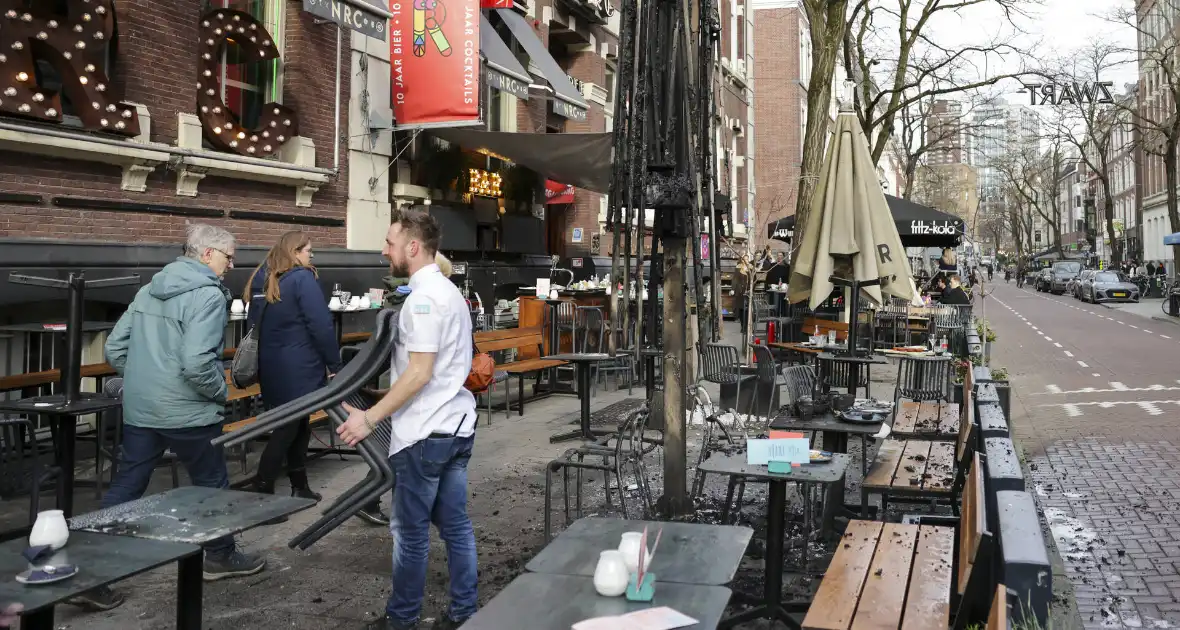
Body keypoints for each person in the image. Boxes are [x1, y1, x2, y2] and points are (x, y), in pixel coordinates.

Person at [74, 225, 265, 612]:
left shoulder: (151, 287)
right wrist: (220, 390)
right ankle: (220, 555)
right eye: (229, 257)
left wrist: (147, 380)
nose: (232, 265)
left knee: (127, 486)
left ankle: (88, 573)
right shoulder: (209, 296)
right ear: (209, 254)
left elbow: (114, 348)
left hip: (143, 409)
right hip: (189, 411)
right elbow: (197, 363)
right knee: (212, 483)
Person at [336, 210, 479, 630]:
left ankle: (401, 621)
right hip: (453, 426)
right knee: (455, 526)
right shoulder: (448, 292)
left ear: (412, 247)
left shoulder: (421, 300)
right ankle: (464, 612)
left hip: (423, 434)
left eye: (390, 242)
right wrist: (383, 393)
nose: (385, 250)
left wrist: (370, 416)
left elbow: (420, 372)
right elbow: (433, 371)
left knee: (410, 533)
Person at [245, 231, 342, 513]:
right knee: (289, 427)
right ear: (295, 252)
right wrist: (334, 364)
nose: (311, 255)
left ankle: (300, 486)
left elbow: (254, 325)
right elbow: (321, 325)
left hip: (272, 367)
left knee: (297, 424)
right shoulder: (302, 279)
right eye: (308, 250)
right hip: (299, 367)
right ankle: (262, 489)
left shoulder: (264, 280)